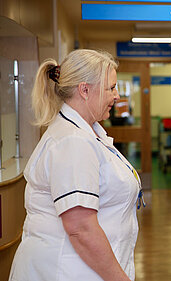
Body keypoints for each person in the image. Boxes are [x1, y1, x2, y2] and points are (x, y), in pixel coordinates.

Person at [9, 49, 143, 281]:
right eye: (111, 88)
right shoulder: (73, 141)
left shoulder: (85, 133)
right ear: (84, 90)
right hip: (65, 270)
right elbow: (81, 229)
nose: (117, 96)